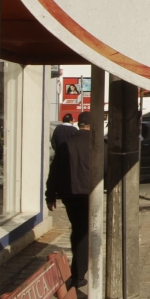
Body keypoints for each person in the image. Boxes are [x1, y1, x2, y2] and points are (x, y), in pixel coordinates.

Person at [45, 112, 93, 287]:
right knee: (83, 232)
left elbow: (54, 172)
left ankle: (78, 272)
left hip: (69, 195)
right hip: (89, 194)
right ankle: (78, 274)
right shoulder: (98, 145)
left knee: (78, 230)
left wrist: (50, 196)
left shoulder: (66, 145)